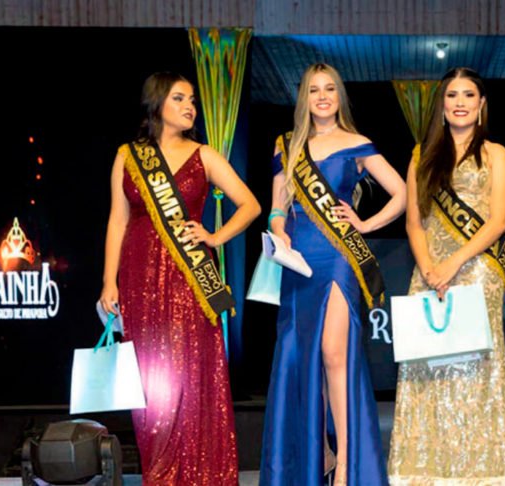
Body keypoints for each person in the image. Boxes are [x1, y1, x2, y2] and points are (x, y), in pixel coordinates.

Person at [99, 71, 260, 485]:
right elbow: (117, 220)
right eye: (179, 98)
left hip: (189, 282)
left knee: (189, 376)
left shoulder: (205, 156)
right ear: (157, 103)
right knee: (149, 383)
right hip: (139, 281)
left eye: (192, 100)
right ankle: (160, 472)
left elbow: (250, 205)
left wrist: (215, 236)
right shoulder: (128, 156)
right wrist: (108, 281)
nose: (190, 107)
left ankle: (196, 474)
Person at [261, 63, 406, 486]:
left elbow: (401, 192)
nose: (322, 96)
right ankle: (320, 453)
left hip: (339, 256)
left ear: (340, 96)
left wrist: (365, 223)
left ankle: (345, 460)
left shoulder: (357, 143)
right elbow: (276, 206)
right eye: (313, 90)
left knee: (333, 353)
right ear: (303, 98)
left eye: (329, 89)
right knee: (303, 356)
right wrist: (278, 229)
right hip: (299, 259)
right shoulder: (288, 145)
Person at [388, 67, 505, 485]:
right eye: (451, 95)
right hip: (429, 272)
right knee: (426, 367)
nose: (459, 102)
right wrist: (429, 267)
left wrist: (452, 264)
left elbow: (498, 221)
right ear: (441, 105)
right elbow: (414, 222)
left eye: (468, 95)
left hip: (477, 271)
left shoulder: (496, 154)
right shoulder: (420, 155)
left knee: (476, 369)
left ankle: (479, 473)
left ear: (482, 104)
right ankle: (425, 470)